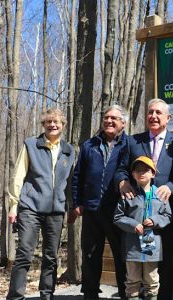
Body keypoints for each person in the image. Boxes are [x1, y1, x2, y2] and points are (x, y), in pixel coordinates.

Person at [115, 98, 173, 300]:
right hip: (137, 214)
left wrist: (170, 187)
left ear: (168, 118)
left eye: (158, 113)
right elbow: (120, 169)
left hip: (163, 212)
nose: (153, 116)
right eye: (150, 112)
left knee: (164, 260)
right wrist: (122, 182)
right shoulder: (133, 140)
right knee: (136, 263)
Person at [6, 108, 75, 300]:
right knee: (24, 255)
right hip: (30, 208)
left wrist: (71, 207)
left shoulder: (69, 151)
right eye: (49, 122)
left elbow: (70, 183)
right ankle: (15, 297)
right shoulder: (30, 145)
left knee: (51, 257)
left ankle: (47, 295)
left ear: (63, 125)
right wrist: (14, 205)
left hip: (56, 211)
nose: (52, 125)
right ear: (43, 124)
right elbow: (18, 176)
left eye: (56, 122)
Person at [70, 104, 129, 300]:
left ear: (123, 123)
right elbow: (77, 176)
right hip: (92, 209)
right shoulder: (90, 145)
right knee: (90, 254)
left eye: (114, 118)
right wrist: (77, 202)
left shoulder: (128, 144)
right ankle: (90, 293)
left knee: (121, 255)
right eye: (106, 117)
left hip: (118, 211)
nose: (109, 121)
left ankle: (124, 293)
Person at [114, 156, 172, 300]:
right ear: (132, 174)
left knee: (151, 280)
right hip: (132, 245)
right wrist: (134, 225)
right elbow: (118, 217)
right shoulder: (128, 195)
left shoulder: (159, 195)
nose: (141, 173)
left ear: (153, 173)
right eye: (137, 170)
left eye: (145, 170)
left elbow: (167, 216)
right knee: (132, 279)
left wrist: (154, 220)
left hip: (151, 244)